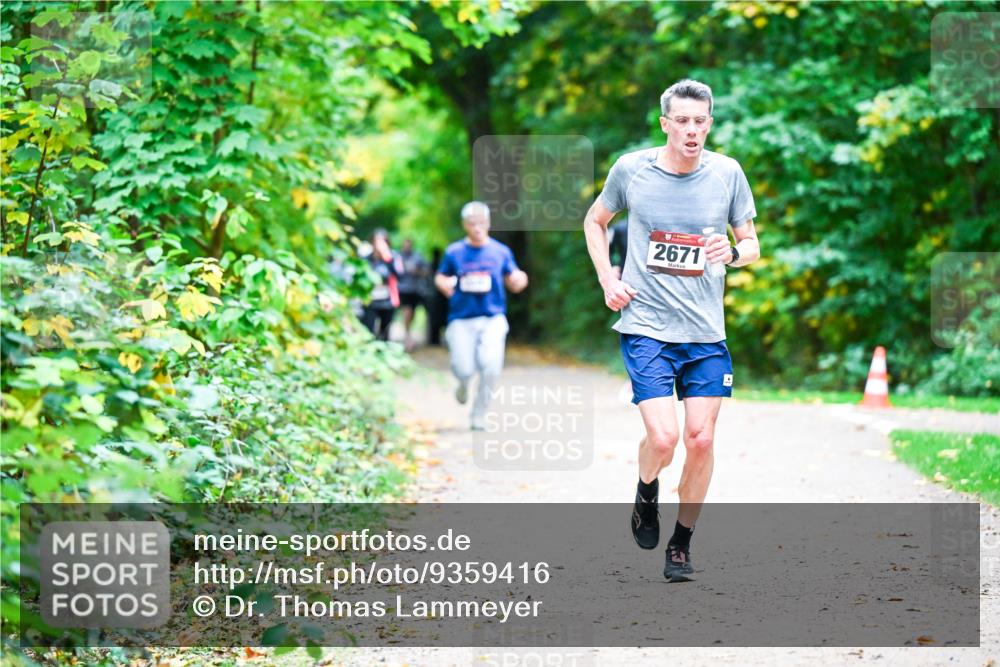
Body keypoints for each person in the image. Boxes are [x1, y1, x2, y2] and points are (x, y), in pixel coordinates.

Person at [583, 79, 761, 582]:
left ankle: (680, 546)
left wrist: (734, 253)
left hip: (705, 332)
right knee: (663, 439)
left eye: (699, 121)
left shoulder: (727, 173)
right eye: (681, 121)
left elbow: (751, 243)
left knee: (700, 440)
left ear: (709, 123)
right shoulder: (632, 170)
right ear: (665, 124)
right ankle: (646, 491)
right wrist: (607, 277)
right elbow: (594, 221)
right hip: (647, 326)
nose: (691, 130)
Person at [435, 202, 529, 430]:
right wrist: (444, 284)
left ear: (488, 223)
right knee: (464, 368)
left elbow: (515, 277)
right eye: (472, 223)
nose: (477, 228)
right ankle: (462, 383)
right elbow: (440, 276)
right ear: (465, 225)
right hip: (461, 318)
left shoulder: (500, 251)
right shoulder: (454, 252)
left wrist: (519, 279)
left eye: (481, 223)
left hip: (493, 318)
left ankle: (478, 415)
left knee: (491, 367)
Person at [361, 229, 402, 342]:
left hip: (387, 300)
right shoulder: (366, 259)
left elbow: (399, 275)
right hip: (370, 300)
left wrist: (387, 257)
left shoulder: (393, 257)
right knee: (368, 330)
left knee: (385, 331)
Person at [397, 238, 430, 352]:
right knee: (407, 311)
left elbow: (426, 272)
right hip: (403, 290)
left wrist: (417, 272)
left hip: (415, 290)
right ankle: (407, 336)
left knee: (412, 313)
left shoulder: (418, 257)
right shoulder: (398, 257)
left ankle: (408, 333)